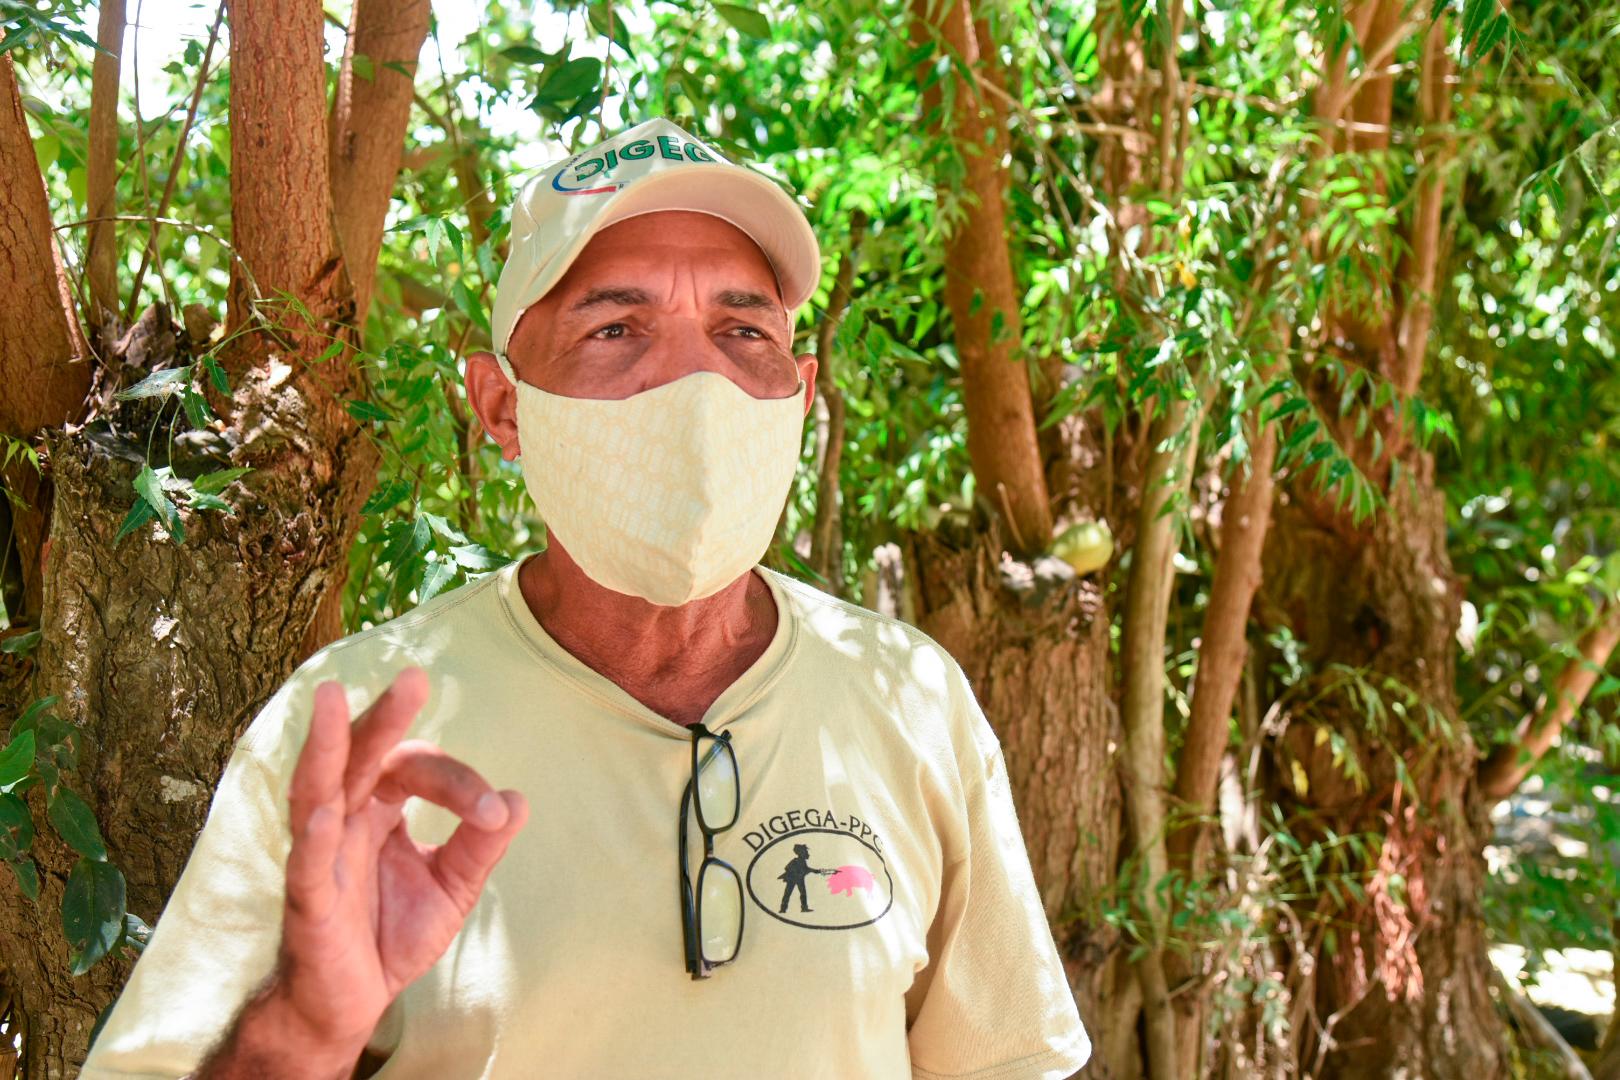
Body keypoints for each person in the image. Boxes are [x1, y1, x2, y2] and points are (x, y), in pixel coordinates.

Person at [79, 116, 1092, 1080]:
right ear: (502, 406)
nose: (696, 381)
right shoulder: (353, 731)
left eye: (744, 330)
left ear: (803, 391)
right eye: (615, 328)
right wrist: (302, 1031)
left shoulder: (909, 698)